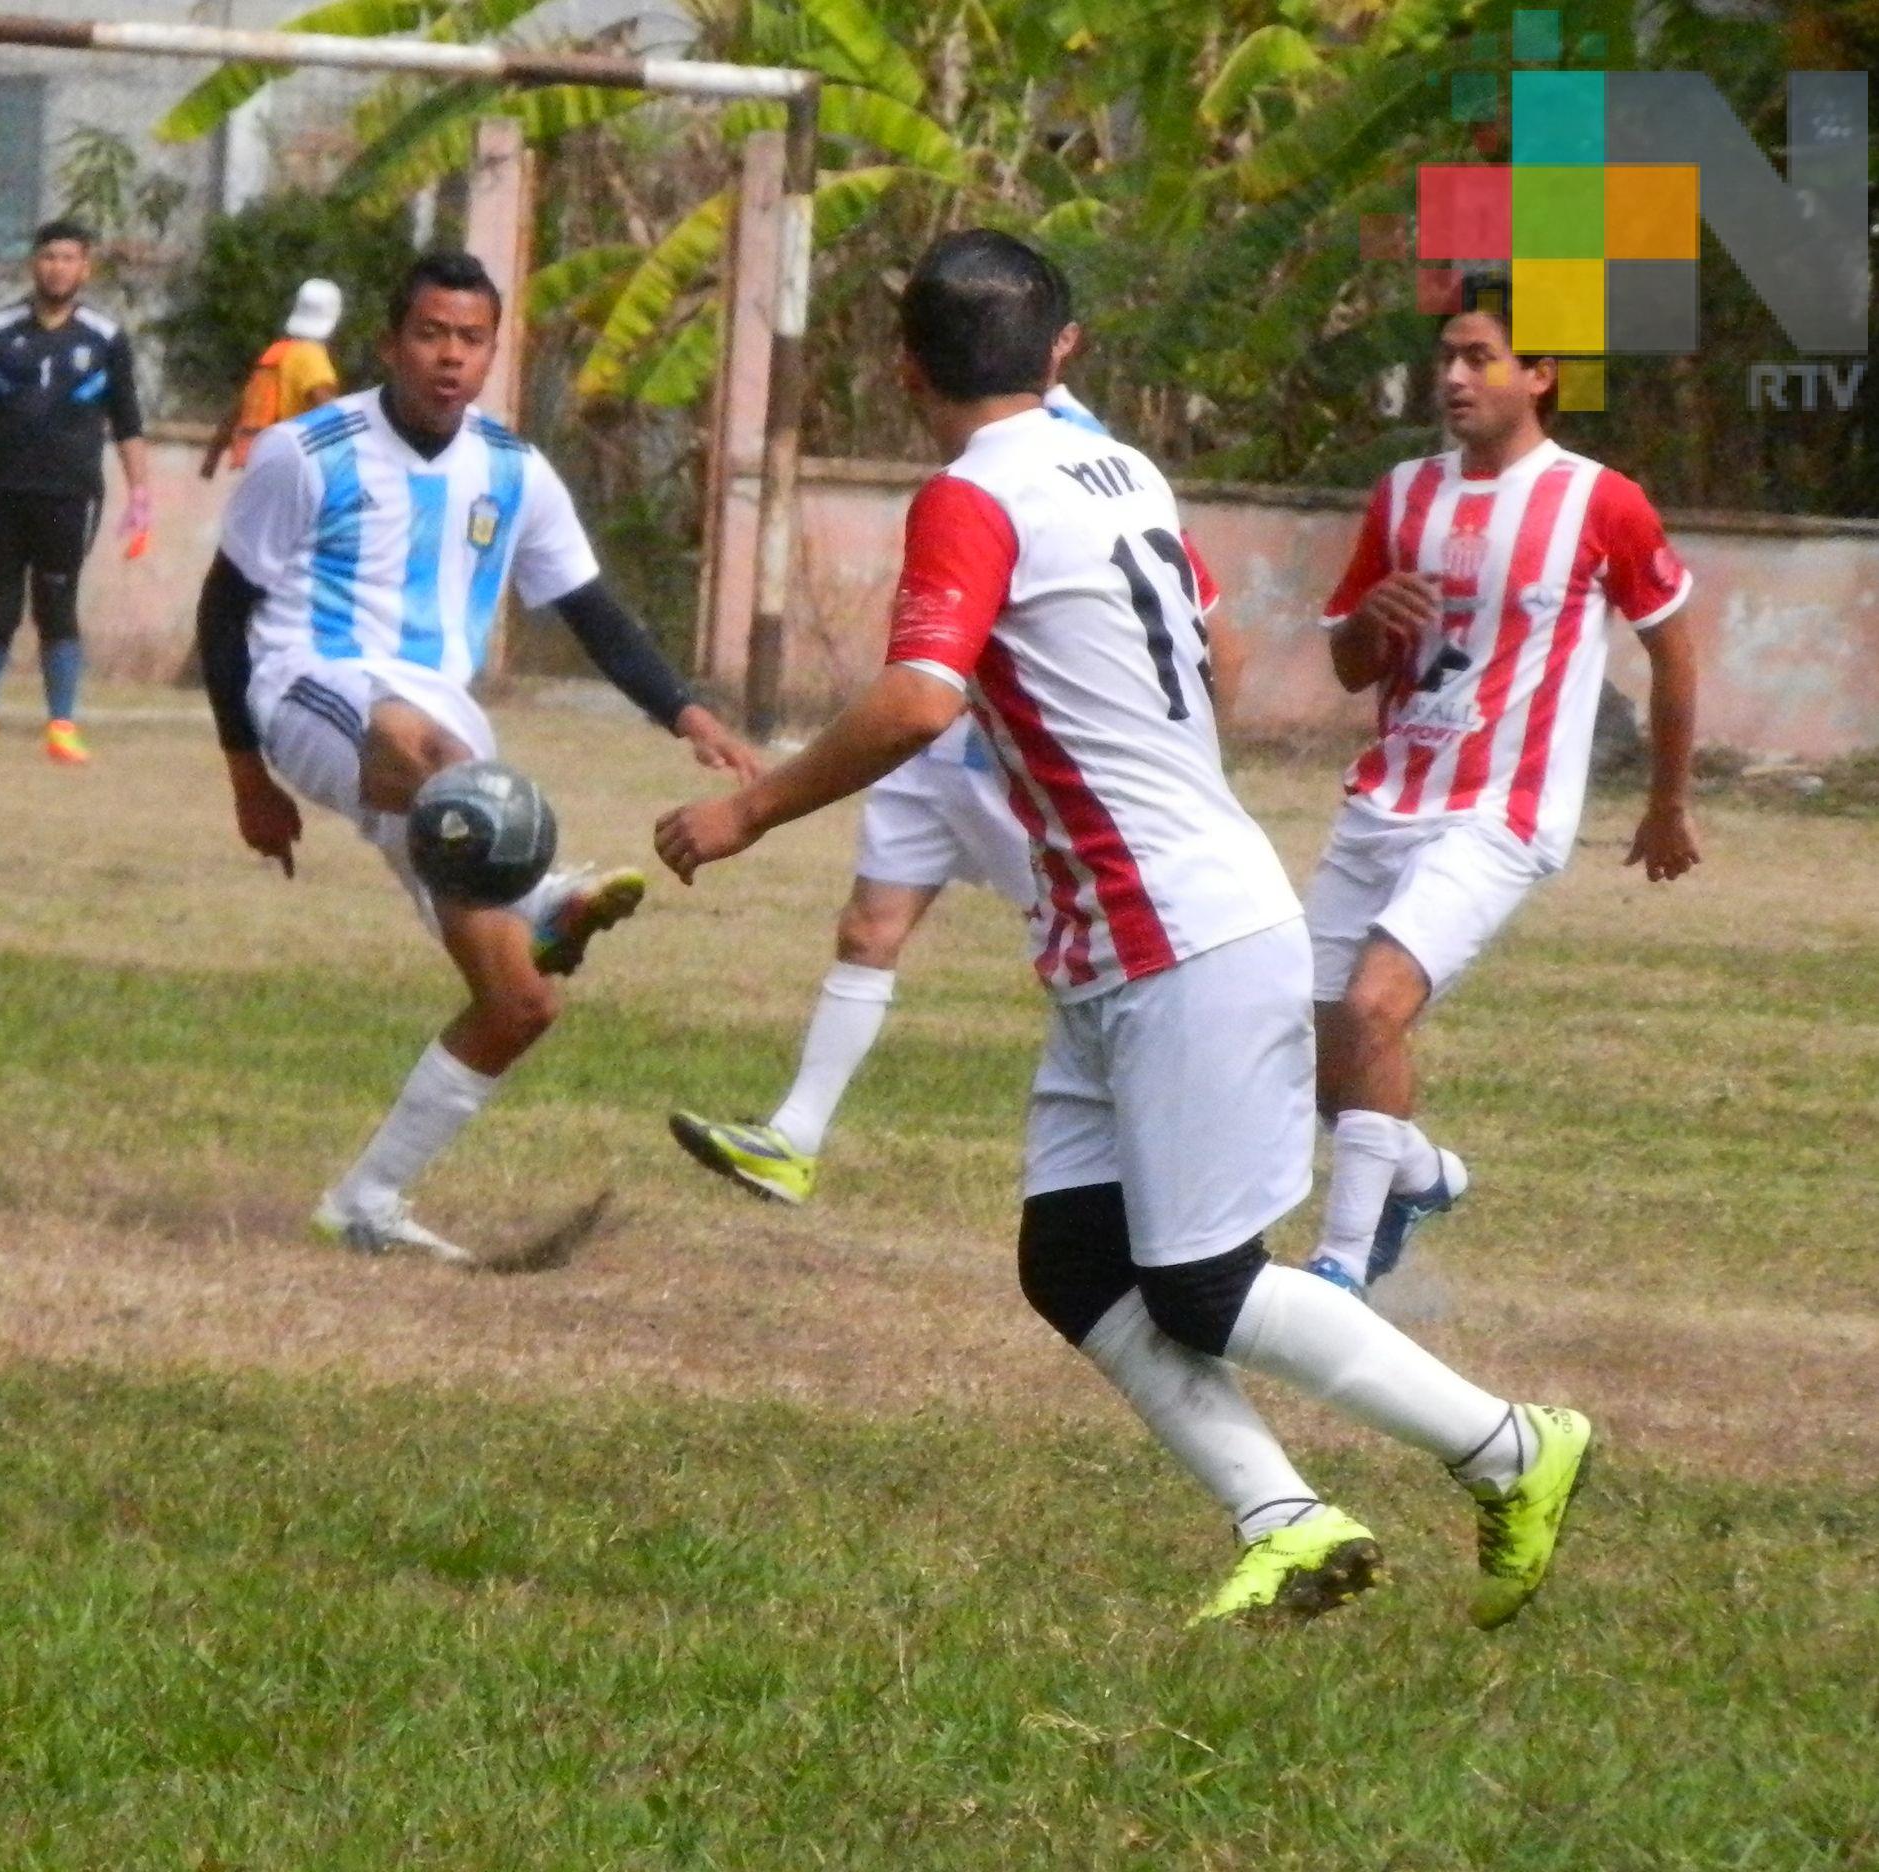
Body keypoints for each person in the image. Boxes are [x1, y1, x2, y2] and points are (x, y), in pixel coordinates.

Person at [653, 231, 1590, 1628]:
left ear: (901, 367)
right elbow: (1206, 655)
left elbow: (918, 700)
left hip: (1175, 933)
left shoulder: (971, 498)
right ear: (1063, 351)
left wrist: (748, 813)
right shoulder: (1122, 469)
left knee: (1201, 1285)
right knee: (1073, 1264)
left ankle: (1507, 1444)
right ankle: (1282, 1515)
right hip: (1126, 933)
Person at [197, 251, 760, 1263]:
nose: (449, 358)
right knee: (432, 745)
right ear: (388, 343)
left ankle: (365, 1203)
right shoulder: (305, 451)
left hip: (445, 741)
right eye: (429, 334)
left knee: (519, 1001)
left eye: (470, 339)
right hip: (314, 686)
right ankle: (542, 891)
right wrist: (246, 774)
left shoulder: (512, 471)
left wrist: (683, 711)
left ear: (493, 351)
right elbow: (223, 609)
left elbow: (589, 608)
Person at [669, 361, 1244, 1206]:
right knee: (870, 928)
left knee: (1107, 949)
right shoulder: (979, 439)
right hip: (934, 740)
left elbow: (1209, 638)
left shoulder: (1076, 448)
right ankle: (791, 1139)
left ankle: (1311, 1122)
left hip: (1022, 759)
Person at [1299, 276, 1699, 1296]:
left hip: (1499, 812)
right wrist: (1366, 624)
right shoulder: (1402, 495)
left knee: (1375, 1009)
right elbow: (1349, 668)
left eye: (1477, 357)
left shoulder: (1598, 501)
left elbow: (1673, 654)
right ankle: (1421, 1176)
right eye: (1445, 358)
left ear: (1539, 373)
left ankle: (1338, 1266)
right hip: (1384, 798)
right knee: (1314, 1059)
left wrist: (1666, 802)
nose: (1452, 376)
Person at [0, 219, 150, 765]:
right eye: (48, 256)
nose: (57, 267)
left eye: (68, 258)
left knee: (57, 603)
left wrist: (142, 495)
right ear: (35, 263)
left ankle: (62, 726)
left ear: (85, 267)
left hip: (69, 495)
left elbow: (127, 421)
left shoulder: (105, 338)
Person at [200, 278, 344, 478]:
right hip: (292, 464)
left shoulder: (275, 353)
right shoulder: (312, 355)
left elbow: (240, 408)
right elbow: (326, 408)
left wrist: (212, 456)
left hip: (260, 461)